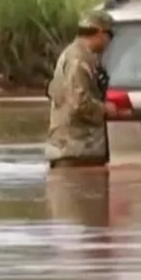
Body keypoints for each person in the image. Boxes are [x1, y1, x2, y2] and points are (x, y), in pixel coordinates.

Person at [46, 10, 118, 168]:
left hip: (78, 150)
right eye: (110, 35)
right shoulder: (78, 60)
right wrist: (105, 109)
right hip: (75, 151)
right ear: (100, 33)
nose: (110, 42)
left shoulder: (83, 56)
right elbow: (78, 103)